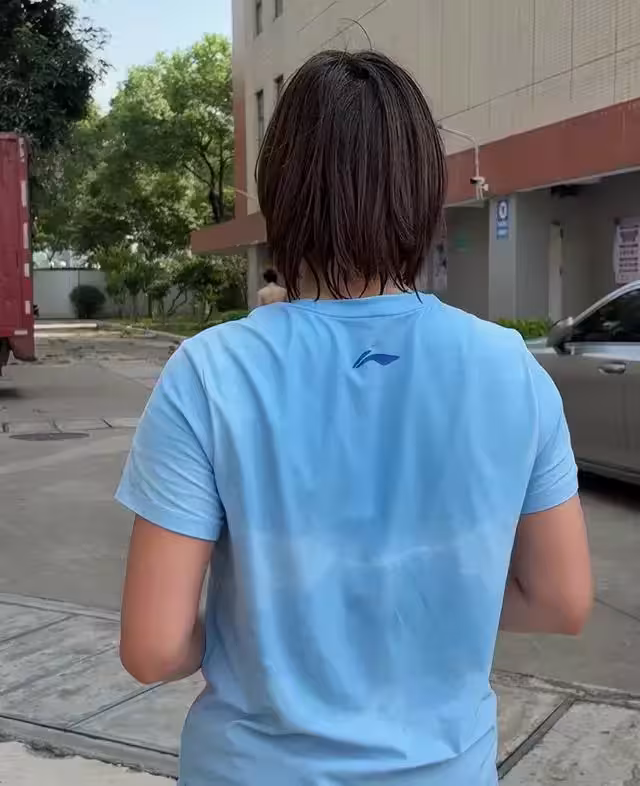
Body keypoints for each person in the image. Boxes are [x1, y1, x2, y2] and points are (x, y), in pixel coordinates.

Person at [117, 50, 592, 786]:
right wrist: (426, 599)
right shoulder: (512, 370)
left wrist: (271, 624)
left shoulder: (210, 373)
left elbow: (153, 649)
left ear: (282, 188)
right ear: (421, 193)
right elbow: (562, 601)